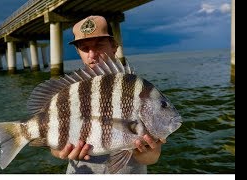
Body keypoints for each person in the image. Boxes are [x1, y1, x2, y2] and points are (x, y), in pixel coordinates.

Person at [50, 15, 163, 174]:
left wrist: (147, 152)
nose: (91, 55)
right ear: (78, 51)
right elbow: (53, 145)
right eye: (84, 48)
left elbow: (152, 158)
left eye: (99, 45)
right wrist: (61, 151)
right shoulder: (69, 90)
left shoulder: (139, 90)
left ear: (114, 45)